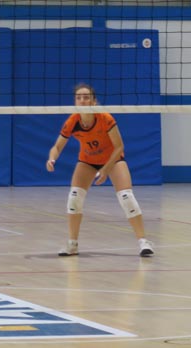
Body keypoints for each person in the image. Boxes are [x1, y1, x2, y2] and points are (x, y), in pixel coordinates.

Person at [46, 83, 154, 257]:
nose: (82, 101)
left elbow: (119, 147)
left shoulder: (105, 118)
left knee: (126, 197)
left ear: (94, 101)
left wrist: (105, 169)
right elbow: (57, 147)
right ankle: (72, 244)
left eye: (86, 97)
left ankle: (143, 242)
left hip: (113, 159)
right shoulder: (73, 121)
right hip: (87, 161)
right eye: (78, 98)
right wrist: (52, 159)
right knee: (74, 198)